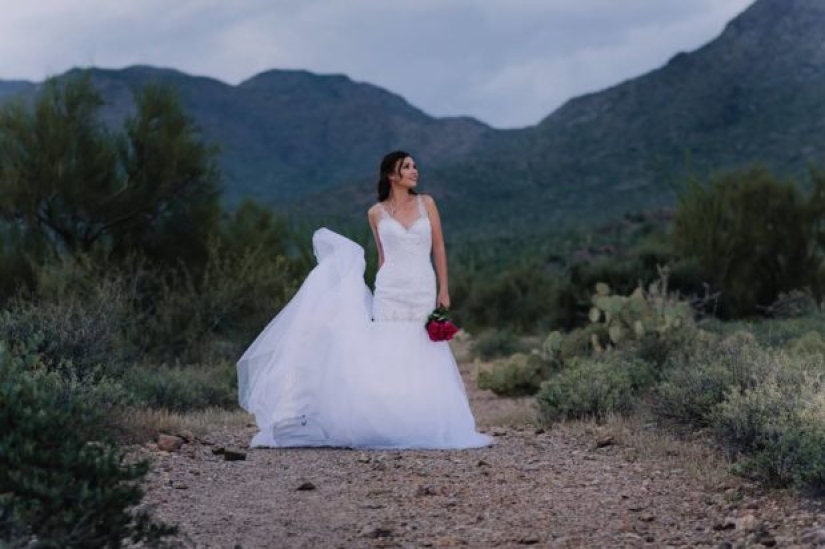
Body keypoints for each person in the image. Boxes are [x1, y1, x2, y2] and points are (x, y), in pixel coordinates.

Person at [237, 151, 491, 450]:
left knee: (422, 348)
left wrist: (444, 289)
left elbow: (439, 247)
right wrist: (377, 290)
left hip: (422, 284)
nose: (414, 170)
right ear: (391, 175)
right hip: (390, 288)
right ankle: (388, 419)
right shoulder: (376, 213)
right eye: (406, 167)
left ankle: (423, 417)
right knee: (390, 349)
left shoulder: (427, 203)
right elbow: (383, 255)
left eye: (414, 166)